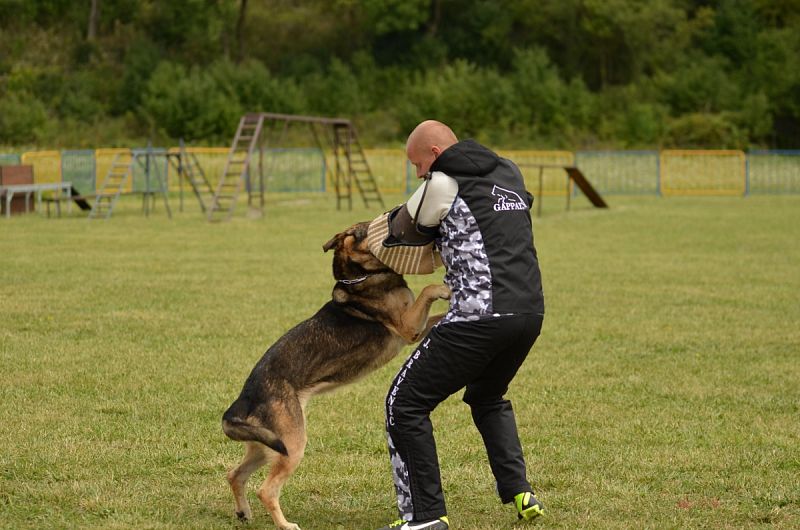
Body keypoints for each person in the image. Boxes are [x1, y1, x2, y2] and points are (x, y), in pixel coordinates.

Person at [376, 120, 546, 530]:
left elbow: (402, 230)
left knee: (405, 404)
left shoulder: (442, 182)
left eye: (418, 164)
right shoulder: (509, 170)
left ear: (435, 154)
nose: (418, 173)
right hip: (528, 313)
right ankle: (519, 489)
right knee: (487, 396)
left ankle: (424, 517)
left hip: (478, 316)